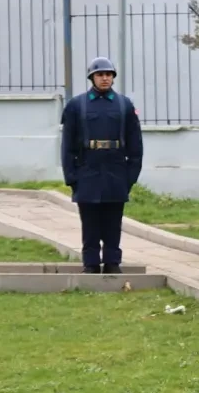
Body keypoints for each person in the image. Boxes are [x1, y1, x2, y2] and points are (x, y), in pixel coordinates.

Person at [60, 57, 143, 274]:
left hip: (116, 170)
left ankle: (112, 261)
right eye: (100, 74)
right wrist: (72, 177)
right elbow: (68, 145)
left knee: (113, 220)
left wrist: (130, 177)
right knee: (90, 222)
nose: (105, 78)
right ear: (92, 78)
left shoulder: (124, 105)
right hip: (88, 168)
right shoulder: (77, 105)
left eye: (108, 74)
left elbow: (135, 145)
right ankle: (91, 263)